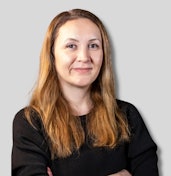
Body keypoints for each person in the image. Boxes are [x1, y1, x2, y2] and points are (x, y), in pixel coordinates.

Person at [11, 8, 159, 176]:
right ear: (52, 55)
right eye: (71, 46)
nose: (84, 56)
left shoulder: (127, 116)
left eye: (93, 45)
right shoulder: (30, 123)